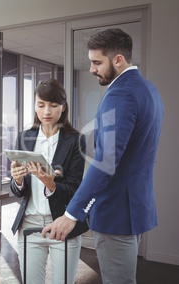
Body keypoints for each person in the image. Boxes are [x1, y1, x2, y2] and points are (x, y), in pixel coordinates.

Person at [42, 28, 164, 284]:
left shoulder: (121, 94)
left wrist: (71, 214)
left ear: (118, 60)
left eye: (97, 62)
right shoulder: (147, 89)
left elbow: (106, 161)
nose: (91, 69)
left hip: (115, 211)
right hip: (133, 206)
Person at [10, 78, 89, 284]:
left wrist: (50, 184)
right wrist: (17, 181)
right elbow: (18, 190)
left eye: (53, 106)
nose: (46, 111)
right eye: (41, 105)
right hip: (29, 224)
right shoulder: (24, 137)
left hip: (61, 226)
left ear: (63, 108)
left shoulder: (75, 140)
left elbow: (74, 189)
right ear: (35, 106)